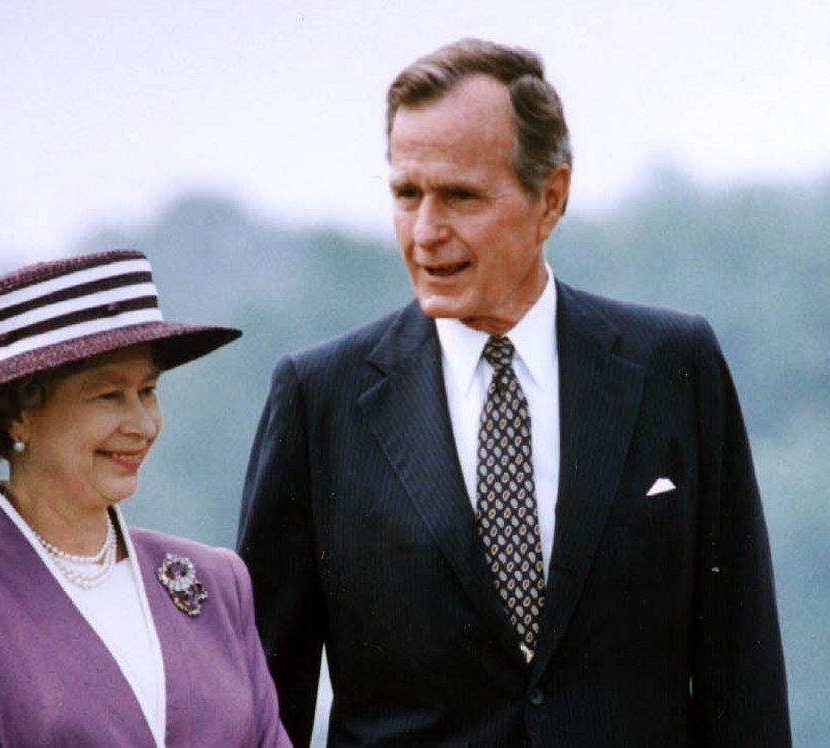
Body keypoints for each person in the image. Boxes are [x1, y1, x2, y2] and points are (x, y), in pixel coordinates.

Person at [238, 38, 791, 746]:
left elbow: (743, 677)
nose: (427, 232)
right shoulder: (318, 400)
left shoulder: (674, 367)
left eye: (461, 196)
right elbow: (259, 706)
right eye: (407, 194)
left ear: (550, 197)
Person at [0, 249, 291, 747]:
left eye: (148, 391)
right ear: (15, 413)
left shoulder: (215, 580)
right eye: (109, 396)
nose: (143, 425)